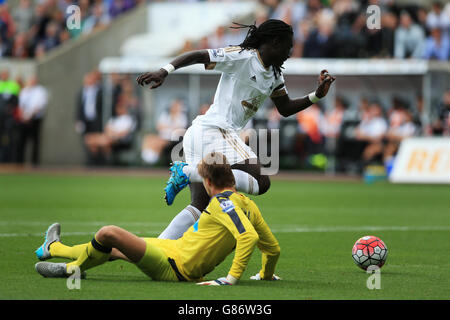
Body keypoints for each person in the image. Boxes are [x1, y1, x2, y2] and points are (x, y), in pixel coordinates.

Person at [136, 19, 335, 240]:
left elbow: (285, 108)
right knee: (262, 182)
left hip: (205, 134)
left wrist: (316, 95)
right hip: (216, 131)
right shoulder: (242, 56)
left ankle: (157, 246)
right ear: (275, 42)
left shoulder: (275, 75)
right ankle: (185, 171)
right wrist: (165, 70)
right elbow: (199, 55)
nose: (290, 52)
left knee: (198, 206)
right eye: (289, 46)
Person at [34, 152, 281, 285]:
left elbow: (248, 237)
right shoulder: (248, 205)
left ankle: (71, 269)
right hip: (172, 249)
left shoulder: (222, 203)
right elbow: (273, 249)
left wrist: (231, 279)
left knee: (108, 233)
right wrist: (266, 274)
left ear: (207, 182)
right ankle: (53, 248)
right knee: (114, 247)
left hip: (174, 268)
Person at [141, 98, 188, 165]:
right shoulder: (165, 115)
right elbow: (158, 127)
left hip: (172, 139)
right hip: (162, 136)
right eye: (173, 105)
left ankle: (152, 161)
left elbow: (180, 130)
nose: (174, 107)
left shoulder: (182, 117)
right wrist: (171, 127)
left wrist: (166, 126)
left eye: (176, 106)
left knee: (158, 142)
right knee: (148, 138)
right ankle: (146, 158)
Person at [16, 75, 48, 165]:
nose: (32, 82)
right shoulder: (25, 90)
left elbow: (40, 106)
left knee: (35, 142)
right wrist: (23, 116)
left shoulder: (41, 91)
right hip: (23, 119)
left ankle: (34, 164)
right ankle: (19, 163)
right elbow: (20, 105)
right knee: (21, 141)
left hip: (35, 119)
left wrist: (30, 116)